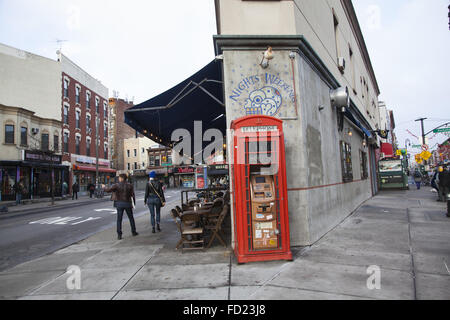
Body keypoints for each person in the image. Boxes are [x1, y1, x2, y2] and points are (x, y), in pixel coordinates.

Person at [105, 174, 138, 240]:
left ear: (121, 178)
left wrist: (104, 187)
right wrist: (133, 204)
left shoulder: (117, 185)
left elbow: (108, 190)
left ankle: (119, 234)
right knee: (131, 218)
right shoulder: (130, 185)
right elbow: (133, 195)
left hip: (119, 203)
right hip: (127, 203)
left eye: (119, 178)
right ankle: (133, 231)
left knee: (119, 219)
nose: (119, 179)